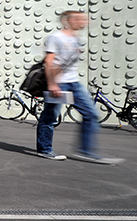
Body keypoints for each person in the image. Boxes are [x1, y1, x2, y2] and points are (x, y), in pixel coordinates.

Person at [36, 11, 122, 164]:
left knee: (91, 114)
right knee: (50, 117)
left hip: (74, 83)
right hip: (59, 83)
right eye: (78, 19)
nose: (83, 21)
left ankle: (86, 151)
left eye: (84, 18)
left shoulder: (76, 39)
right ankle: (45, 149)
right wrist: (52, 84)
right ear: (67, 21)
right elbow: (49, 62)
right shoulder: (56, 38)